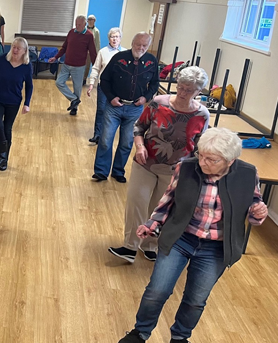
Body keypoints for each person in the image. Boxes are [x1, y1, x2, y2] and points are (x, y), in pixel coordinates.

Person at [117, 127, 268, 343]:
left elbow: (253, 205)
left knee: (196, 300)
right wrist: (152, 224)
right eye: (201, 155)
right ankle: (140, 332)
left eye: (211, 159)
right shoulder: (186, 167)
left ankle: (180, 337)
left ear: (230, 161)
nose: (203, 162)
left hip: (216, 247)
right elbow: (168, 200)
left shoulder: (247, 173)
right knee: (157, 291)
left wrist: (258, 212)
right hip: (181, 239)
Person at [109, 66, 210, 263]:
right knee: (137, 201)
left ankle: (150, 245)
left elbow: (200, 146)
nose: (182, 93)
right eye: (180, 87)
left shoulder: (202, 115)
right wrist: (139, 147)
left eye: (189, 90)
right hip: (145, 163)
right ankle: (130, 246)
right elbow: (139, 127)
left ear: (199, 92)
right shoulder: (158, 103)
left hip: (175, 171)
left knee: (159, 209)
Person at [93, 32, 159, 183]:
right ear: (132, 43)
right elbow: (104, 80)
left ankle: (118, 171)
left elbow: (155, 83)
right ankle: (101, 172)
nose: (141, 48)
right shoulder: (119, 58)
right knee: (105, 139)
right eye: (138, 45)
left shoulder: (151, 61)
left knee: (127, 142)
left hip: (135, 109)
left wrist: (146, 98)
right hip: (114, 106)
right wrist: (111, 97)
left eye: (144, 46)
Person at [0, 37, 33, 171]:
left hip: (14, 101)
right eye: (13, 47)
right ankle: (2, 155)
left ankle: (4, 159)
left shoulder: (27, 66)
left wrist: (27, 103)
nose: (15, 50)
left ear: (24, 51)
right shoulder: (2, 60)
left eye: (18, 48)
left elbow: (29, 86)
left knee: (7, 128)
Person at [48, 15, 97, 115]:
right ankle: (74, 99)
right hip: (67, 64)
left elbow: (92, 52)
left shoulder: (89, 35)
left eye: (79, 24)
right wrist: (56, 57)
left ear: (85, 24)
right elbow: (64, 47)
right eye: (76, 24)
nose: (77, 26)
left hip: (79, 67)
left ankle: (75, 108)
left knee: (77, 88)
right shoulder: (71, 32)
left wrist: (96, 67)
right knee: (59, 82)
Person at [87, 27, 124, 143]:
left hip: (118, 88)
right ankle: (97, 134)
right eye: (112, 37)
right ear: (109, 38)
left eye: (117, 37)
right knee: (101, 109)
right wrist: (91, 83)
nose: (114, 39)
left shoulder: (125, 53)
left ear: (120, 38)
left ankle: (107, 136)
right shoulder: (103, 52)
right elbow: (96, 68)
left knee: (114, 112)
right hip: (103, 86)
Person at [84, 14, 101, 81]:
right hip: (84, 51)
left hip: (91, 51)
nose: (90, 21)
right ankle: (81, 78)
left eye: (92, 20)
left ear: (94, 21)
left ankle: (88, 79)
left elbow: (97, 42)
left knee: (91, 66)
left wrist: (97, 53)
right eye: (89, 20)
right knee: (83, 66)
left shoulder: (96, 31)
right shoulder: (84, 29)